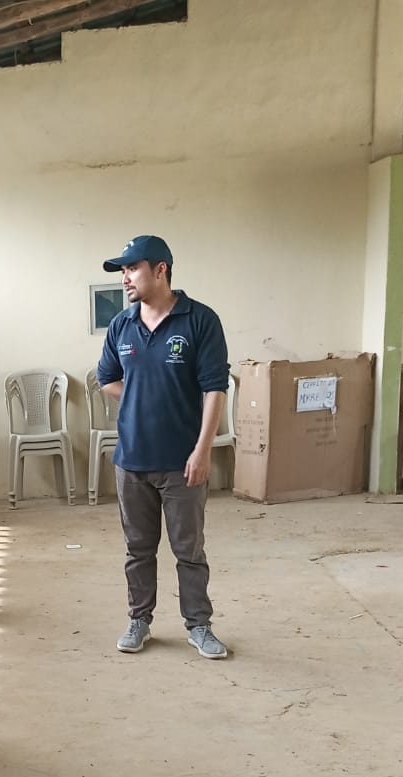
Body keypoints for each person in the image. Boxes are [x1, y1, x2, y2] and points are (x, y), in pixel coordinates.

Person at [94, 234, 231, 660]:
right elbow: (107, 378)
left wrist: (202, 450)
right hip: (132, 460)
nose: (125, 279)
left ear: (160, 270)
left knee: (188, 550)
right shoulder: (122, 325)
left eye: (132, 269)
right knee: (138, 550)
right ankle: (140, 620)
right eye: (122, 271)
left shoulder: (200, 320)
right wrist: (141, 397)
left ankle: (199, 625)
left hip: (182, 461)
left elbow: (215, 388)